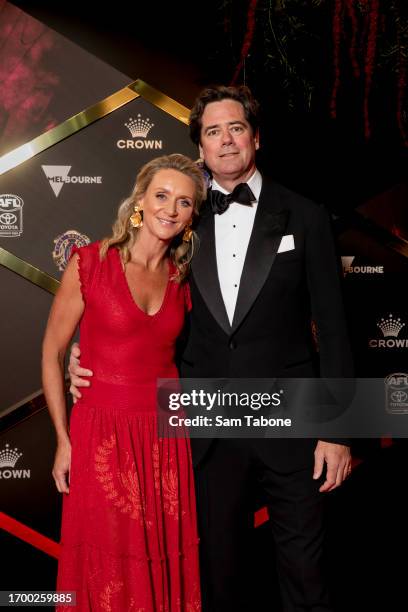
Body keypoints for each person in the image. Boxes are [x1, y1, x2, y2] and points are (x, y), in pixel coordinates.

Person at [70, 86, 353, 612]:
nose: (225, 141)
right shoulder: (181, 218)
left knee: (305, 570)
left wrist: (336, 430)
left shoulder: (305, 215)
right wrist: (81, 352)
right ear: (200, 147)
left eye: (236, 128)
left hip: (290, 418)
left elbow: (334, 330)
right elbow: (128, 294)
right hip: (204, 422)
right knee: (216, 570)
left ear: (256, 138)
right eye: (212, 132)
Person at [42, 154, 206, 612]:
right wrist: (62, 437)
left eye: (184, 202)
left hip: (165, 435)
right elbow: (54, 350)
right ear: (139, 201)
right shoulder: (91, 262)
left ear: (193, 216)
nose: (170, 209)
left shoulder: (183, 278)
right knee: (107, 557)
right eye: (161, 196)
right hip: (101, 432)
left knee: (160, 556)